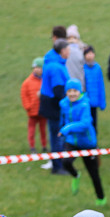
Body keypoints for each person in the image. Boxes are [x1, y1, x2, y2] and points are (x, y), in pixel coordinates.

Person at [59, 78, 106, 204]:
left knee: (93, 173)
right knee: (65, 162)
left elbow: (85, 124)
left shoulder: (85, 104)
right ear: (66, 92)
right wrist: (62, 128)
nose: (72, 93)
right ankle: (76, 175)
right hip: (71, 141)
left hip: (87, 143)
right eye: (69, 91)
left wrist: (67, 128)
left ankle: (101, 198)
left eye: (75, 91)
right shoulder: (63, 104)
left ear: (79, 92)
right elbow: (63, 118)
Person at [39, 39, 71, 174]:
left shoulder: (53, 62)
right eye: (68, 49)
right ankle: (58, 166)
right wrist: (70, 101)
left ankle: (57, 164)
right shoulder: (56, 67)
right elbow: (58, 90)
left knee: (55, 135)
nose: (70, 52)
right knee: (58, 136)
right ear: (62, 51)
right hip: (54, 106)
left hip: (49, 104)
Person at [21, 57, 47, 152]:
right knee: (31, 130)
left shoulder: (45, 81)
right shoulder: (27, 82)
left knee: (43, 130)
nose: (37, 69)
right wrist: (28, 107)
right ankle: (32, 146)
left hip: (43, 110)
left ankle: (44, 146)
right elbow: (24, 95)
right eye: (35, 67)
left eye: (39, 67)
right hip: (32, 111)